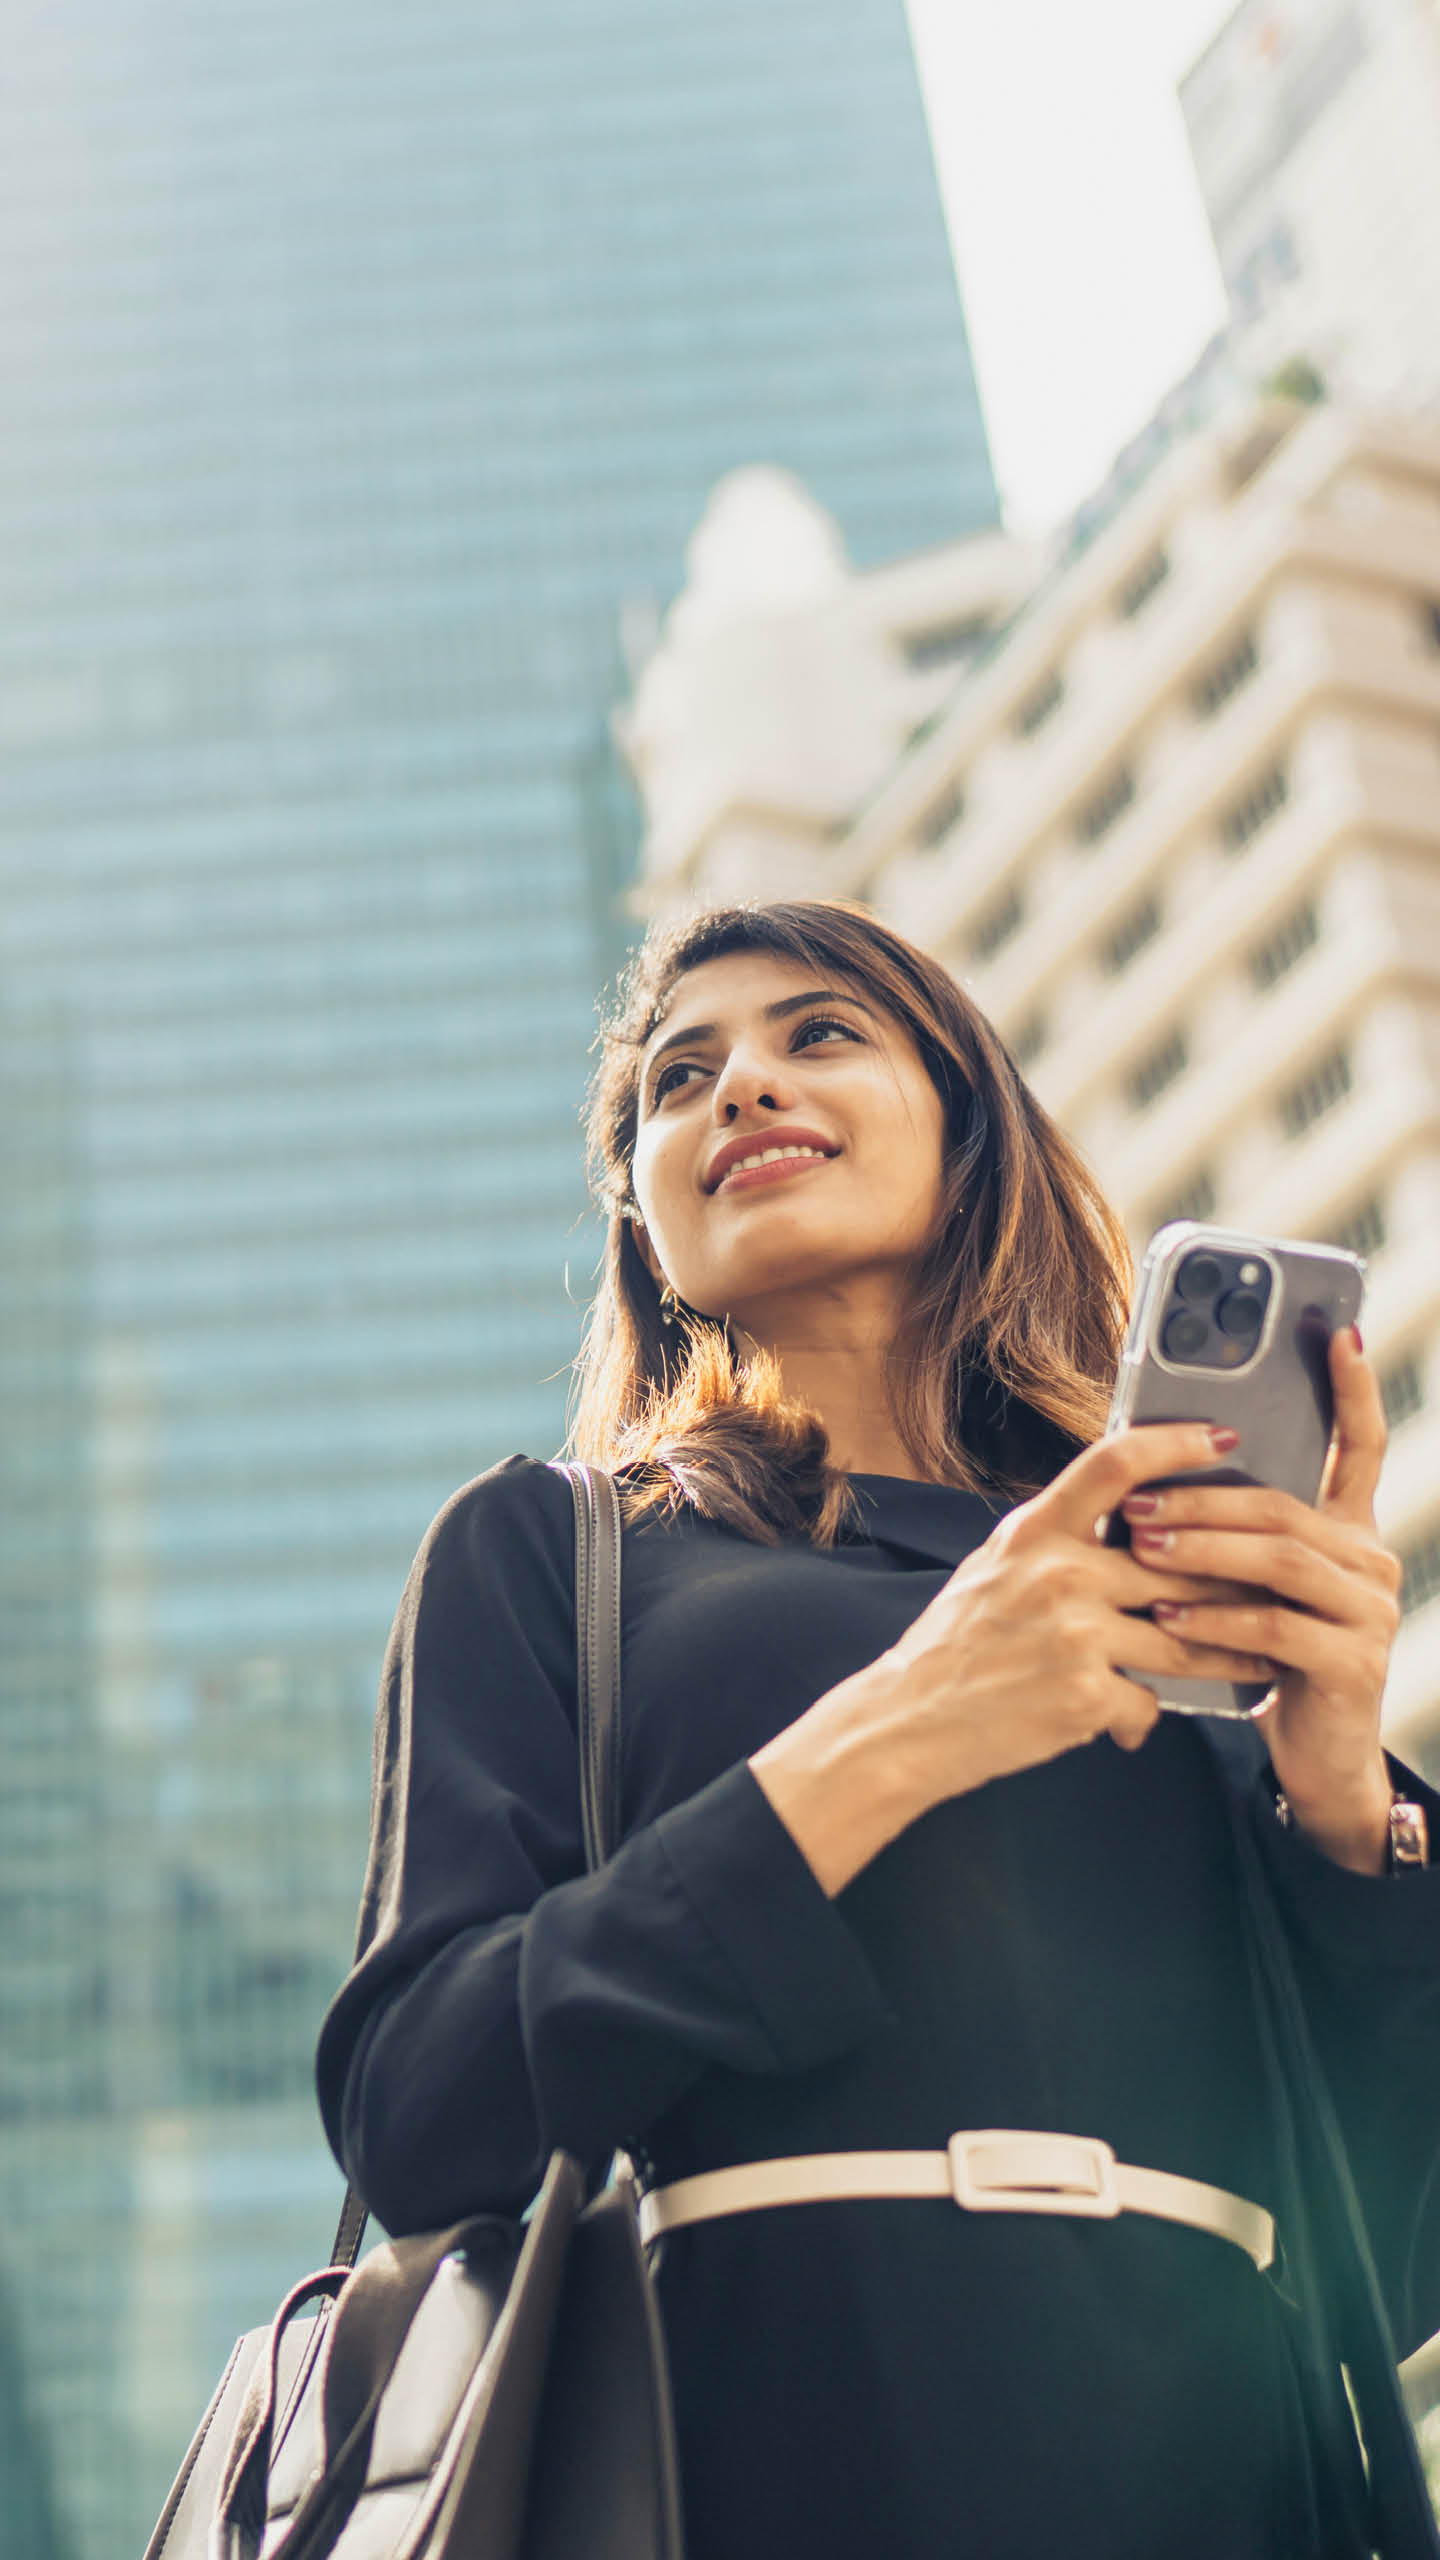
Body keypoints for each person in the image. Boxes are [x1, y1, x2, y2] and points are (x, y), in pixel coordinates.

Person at [316, 899, 1440, 2560]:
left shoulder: (1180, 1591)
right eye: (678, 1080)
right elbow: (428, 2106)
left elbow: (1392, 2265)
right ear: (645, 1223)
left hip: (1231, 2484)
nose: (740, 1087)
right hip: (757, 2456)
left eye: (819, 1033)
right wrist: (908, 1724)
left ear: (969, 1132)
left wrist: (1345, 1794)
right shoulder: (558, 1549)